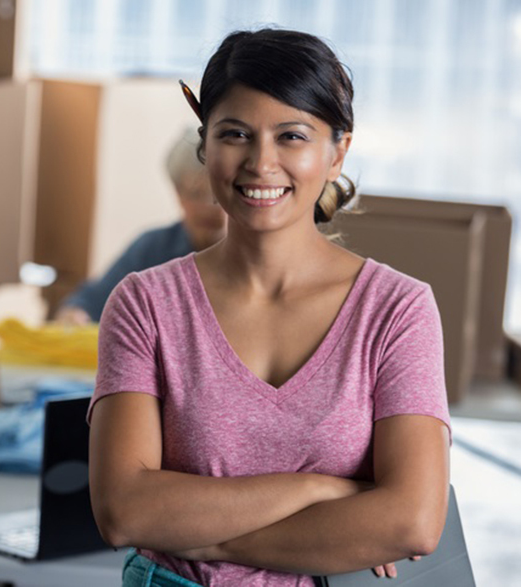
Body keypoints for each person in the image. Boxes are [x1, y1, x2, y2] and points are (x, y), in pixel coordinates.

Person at [88, 28, 451, 587]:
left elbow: (414, 521)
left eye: (292, 136)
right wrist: (318, 490)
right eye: (235, 133)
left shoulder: (397, 310)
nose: (261, 162)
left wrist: (201, 535)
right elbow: (122, 511)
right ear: (205, 145)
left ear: (337, 152)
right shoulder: (145, 304)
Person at [55, 128, 226, 325]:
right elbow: (93, 301)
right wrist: (76, 313)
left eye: (217, 196)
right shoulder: (152, 248)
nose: (209, 207)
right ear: (178, 194)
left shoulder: (256, 254)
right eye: (196, 194)